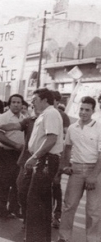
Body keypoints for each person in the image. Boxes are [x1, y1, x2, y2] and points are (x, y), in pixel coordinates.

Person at [57, 96, 101, 242]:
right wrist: (65, 165)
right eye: (81, 109)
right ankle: (64, 237)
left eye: (87, 110)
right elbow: (67, 147)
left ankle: (93, 239)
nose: (83, 112)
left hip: (94, 170)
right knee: (69, 206)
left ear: (93, 111)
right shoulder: (72, 127)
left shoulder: (99, 127)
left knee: (93, 210)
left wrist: (94, 175)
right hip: (76, 169)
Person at [24, 88, 63, 242]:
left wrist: (35, 156)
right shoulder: (45, 114)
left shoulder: (51, 113)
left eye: (35, 99)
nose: (32, 102)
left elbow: (51, 138)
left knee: (36, 200)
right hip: (43, 159)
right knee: (40, 201)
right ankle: (39, 237)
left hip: (46, 160)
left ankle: (35, 238)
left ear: (45, 100)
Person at [0, 94, 25, 219]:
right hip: (6, 153)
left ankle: (14, 209)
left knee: (17, 182)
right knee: (3, 183)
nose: (16, 104)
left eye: (18, 102)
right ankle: (1, 210)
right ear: (9, 104)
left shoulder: (24, 118)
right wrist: (16, 145)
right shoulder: (4, 117)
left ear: (22, 104)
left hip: (19, 154)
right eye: (14, 102)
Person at [51, 90, 70, 229]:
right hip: (46, 155)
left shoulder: (63, 115)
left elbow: (66, 136)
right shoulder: (44, 114)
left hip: (58, 155)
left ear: (57, 101)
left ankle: (57, 215)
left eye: (53, 100)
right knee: (47, 187)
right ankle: (47, 214)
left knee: (56, 185)